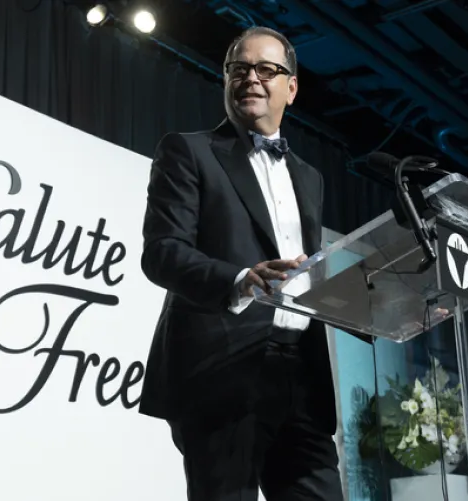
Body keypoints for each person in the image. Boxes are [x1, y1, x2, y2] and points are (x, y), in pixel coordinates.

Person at [139, 26, 342, 501]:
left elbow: (310, 272)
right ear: (226, 80)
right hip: (221, 370)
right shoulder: (187, 151)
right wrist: (240, 280)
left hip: (302, 377)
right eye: (239, 68)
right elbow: (162, 252)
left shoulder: (310, 178)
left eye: (267, 69)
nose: (252, 77)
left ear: (291, 88)